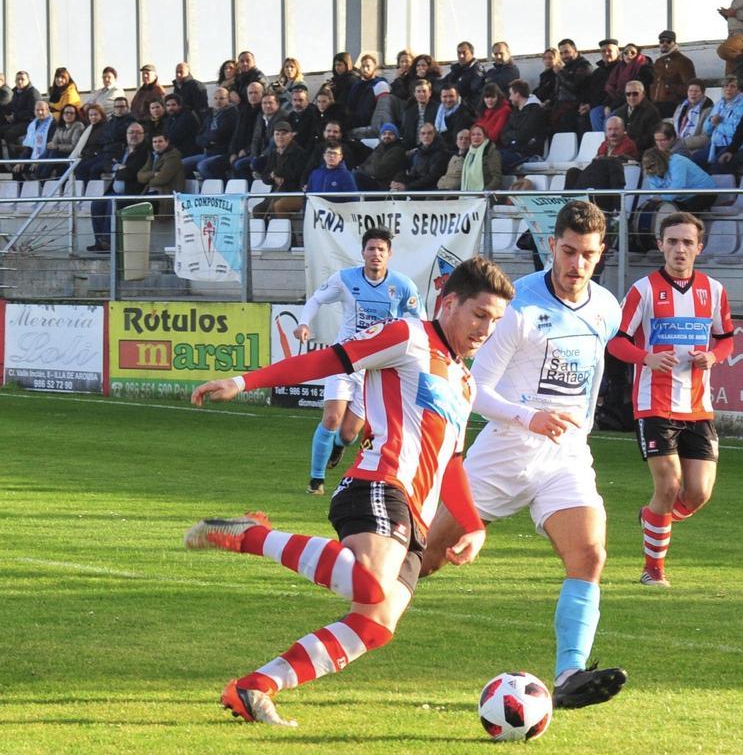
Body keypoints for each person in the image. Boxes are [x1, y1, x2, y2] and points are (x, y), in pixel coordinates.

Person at [185, 256, 513, 728]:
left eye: (495, 321)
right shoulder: (407, 335)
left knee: (375, 624)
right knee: (372, 584)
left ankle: (254, 687)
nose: (486, 328)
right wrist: (244, 381)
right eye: (480, 314)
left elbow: (452, 461)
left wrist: (474, 525)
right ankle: (249, 534)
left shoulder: (464, 380)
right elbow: (330, 359)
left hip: (416, 518)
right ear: (449, 303)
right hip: (379, 483)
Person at [420, 200, 628, 711]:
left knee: (589, 554)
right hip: (506, 451)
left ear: (600, 256)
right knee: (422, 560)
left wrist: (577, 429)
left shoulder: (607, 307)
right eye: (569, 250)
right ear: (552, 245)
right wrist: (528, 416)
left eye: (588, 255)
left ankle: (571, 674)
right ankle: (361, 600)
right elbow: (475, 389)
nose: (577, 264)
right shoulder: (516, 307)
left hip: (567, 454)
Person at [607, 211, 735, 587]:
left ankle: (654, 519)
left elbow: (726, 338)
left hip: (698, 406)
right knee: (668, 486)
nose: (680, 249)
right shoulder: (642, 290)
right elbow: (616, 341)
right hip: (654, 403)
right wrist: (645, 357)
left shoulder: (714, 291)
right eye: (673, 241)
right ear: (660, 244)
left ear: (700, 247)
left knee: (697, 494)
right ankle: (653, 570)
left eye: (688, 242)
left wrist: (713, 356)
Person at [292, 228, 422, 496]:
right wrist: (304, 322)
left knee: (350, 434)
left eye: (381, 250)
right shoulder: (344, 279)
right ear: (363, 252)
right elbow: (316, 299)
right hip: (343, 358)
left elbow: (419, 320)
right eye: (371, 249)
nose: (376, 254)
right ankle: (316, 480)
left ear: (389, 254)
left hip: (374, 368)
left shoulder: (403, 285)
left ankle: (340, 444)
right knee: (331, 417)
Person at [87, 122, 148, 252]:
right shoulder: (121, 150)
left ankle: (108, 241)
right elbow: (106, 164)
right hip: (115, 192)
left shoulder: (144, 152)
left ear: (143, 135)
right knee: (96, 204)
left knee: (111, 202)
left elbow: (130, 173)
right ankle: (100, 241)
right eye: (131, 132)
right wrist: (117, 167)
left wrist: (118, 169)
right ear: (126, 135)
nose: (134, 135)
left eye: (138, 133)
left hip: (133, 194)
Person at [641, 145, 717, 214]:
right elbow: (655, 194)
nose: (648, 170)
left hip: (704, 192)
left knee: (686, 216)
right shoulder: (650, 172)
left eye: (651, 166)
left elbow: (677, 187)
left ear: (660, 161)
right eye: (646, 167)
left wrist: (661, 198)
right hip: (681, 197)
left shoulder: (677, 161)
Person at [497, 80, 547, 172]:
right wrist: (513, 138)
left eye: (511, 94)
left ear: (517, 94)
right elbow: (503, 134)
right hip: (512, 150)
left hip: (528, 153)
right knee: (487, 156)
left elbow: (523, 135)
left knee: (494, 160)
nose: (510, 98)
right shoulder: (515, 112)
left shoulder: (535, 111)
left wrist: (512, 137)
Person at [700, 76, 743, 166]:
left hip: (733, 146)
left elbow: (736, 131)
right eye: (725, 86)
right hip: (714, 146)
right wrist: (711, 121)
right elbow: (706, 130)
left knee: (717, 164)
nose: (728, 89)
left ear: (739, 90)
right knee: (694, 160)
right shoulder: (719, 103)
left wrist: (717, 124)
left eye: (732, 86)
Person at [650, 30, 696, 117]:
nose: (664, 44)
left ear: (674, 43)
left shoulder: (683, 61)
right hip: (656, 104)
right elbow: (655, 83)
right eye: (661, 41)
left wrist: (669, 88)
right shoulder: (659, 61)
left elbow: (691, 86)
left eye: (668, 41)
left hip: (674, 105)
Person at [581, 39, 621, 133]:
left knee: (599, 114)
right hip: (598, 106)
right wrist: (587, 104)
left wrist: (608, 105)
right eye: (603, 51)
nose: (606, 53)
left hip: (616, 105)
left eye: (609, 50)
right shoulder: (597, 72)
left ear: (617, 52)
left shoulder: (622, 69)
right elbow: (591, 92)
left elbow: (620, 90)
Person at [352, 122, 405, 190]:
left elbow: (378, 171)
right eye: (384, 134)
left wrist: (369, 172)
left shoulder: (397, 150)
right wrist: (370, 172)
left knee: (357, 176)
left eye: (390, 134)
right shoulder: (379, 148)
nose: (386, 136)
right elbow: (363, 166)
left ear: (396, 136)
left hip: (384, 187)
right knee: (353, 174)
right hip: (374, 182)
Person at [671, 80, 714, 154]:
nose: (693, 93)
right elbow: (673, 125)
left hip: (694, 150)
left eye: (696, 91)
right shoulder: (681, 107)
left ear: (703, 93)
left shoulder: (708, 110)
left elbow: (706, 138)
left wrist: (682, 143)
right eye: (690, 91)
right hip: (675, 145)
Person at [445, 41, 487, 110]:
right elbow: (443, 84)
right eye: (459, 53)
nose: (461, 56)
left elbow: (476, 95)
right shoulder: (456, 69)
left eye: (464, 53)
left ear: (472, 53)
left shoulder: (476, 71)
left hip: (468, 112)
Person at [460, 123, 502, 191]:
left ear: (485, 137)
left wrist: (484, 192)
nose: (476, 137)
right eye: (473, 135)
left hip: (485, 194)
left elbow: (497, 178)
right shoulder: (469, 154)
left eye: (479, 134)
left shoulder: (491, 152)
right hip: (469, 194)